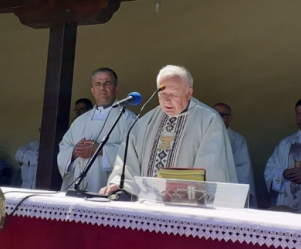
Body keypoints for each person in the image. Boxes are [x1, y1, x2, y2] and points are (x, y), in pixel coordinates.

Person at [100, 65, 237, 195]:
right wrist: (120, 184)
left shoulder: (209, 120)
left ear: (189, 93)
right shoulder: (146, 121)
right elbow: (128, 158)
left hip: (186, 208)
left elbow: (211, 169)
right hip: (146, 205)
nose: (166, 100)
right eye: (162, 94)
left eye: (174, 94)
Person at [58, 68, 136, 193]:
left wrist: (100, 151)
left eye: (107, 83)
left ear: (116, 89)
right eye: (98, 84)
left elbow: (134, 153)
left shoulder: (129, 119)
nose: (102, 87)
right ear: (93, 90)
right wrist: (74, 153)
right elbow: (64, 146)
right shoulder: (80, 120)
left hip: (105, 185)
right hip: (77, 185)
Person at [213, 102, 257, 207]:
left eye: (221, 115)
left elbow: (243, 171)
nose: (216, 118)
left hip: (228, 191)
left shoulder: (237, 140)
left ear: (230, 119)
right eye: (214, 114)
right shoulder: (203, 137)